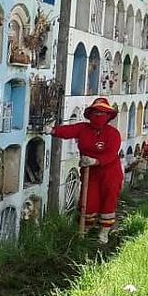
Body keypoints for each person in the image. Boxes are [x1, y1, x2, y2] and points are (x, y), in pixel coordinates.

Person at [52, 97, 124, 244]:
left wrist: (96, 161)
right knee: (89, 201)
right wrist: (53, 130)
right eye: (96, 113)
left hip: (110, 172)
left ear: (108, 116)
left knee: (108, 199)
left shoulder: (113, 133)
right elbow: (68, 130)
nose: (99, 116)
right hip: (89, 172)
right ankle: (85, 228)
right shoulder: (83, 128)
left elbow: (112, 153)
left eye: (103, 113)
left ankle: (104, 231)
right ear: (90, 114)